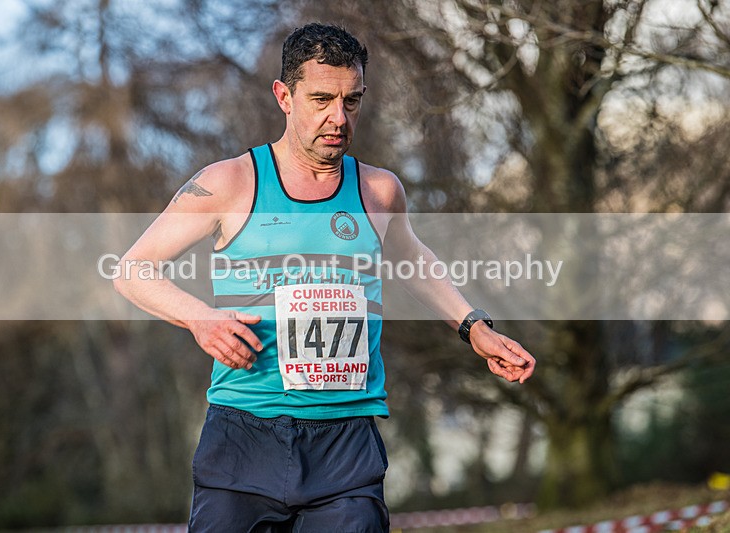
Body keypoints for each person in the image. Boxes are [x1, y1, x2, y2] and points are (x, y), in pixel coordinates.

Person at [114, 22, 535, 533]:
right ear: (284, 96)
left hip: (345, 445)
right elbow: (133, 271)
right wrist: (201, 320)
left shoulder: (379, 191)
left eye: (351, 100)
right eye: (321, 99)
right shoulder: (228, 183)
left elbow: (412, 260)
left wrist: (475, 328)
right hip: (244, 433)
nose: (338, 117)